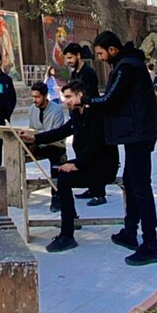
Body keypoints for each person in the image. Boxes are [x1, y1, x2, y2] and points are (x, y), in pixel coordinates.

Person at [89, 30, 157, 266]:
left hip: (139, 135)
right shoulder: (127, 64)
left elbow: (110, 98)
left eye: (101, 53)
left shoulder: (126, 67)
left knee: (141, 187)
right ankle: (130, 231)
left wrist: (86, 100)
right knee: (131, 183)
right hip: (136, 134)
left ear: (112, 50)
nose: (100, 58)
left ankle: (150, 245)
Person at [23, 80, 119, 252]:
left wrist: (77, 165)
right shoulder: (77, 114)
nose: (66, 101)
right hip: (88, 162)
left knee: (64, 180)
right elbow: (62, 131)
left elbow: (96, 146)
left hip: (102, 166)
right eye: (64, 97)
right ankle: (70, 220)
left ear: (80, 95)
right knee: (62, 173)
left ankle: (67, 234)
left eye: (69, 97)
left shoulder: (96, 114)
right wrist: (35, 139)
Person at [62, 42, 105, 205]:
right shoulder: (74, 74)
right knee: (79, 147)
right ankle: (90, 186)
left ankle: (99, 192)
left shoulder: (89, 73)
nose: (69, 61)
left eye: (71, 58)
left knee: (92, 150)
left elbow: (91, 95)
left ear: (78, 56)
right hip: (77, 116)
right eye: (67, 58)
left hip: (89, 116)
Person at [26, 82, 67, 211]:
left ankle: (56, 196)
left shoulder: (56, 110)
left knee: (56, 157)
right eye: (33, 97)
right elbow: (32, 129)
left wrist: (39, 139)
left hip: (54, 144)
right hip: (37, 142)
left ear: (45, 96)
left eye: (37, 97)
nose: (34, 100)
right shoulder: (32, 109)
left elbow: (57, 134)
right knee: (17, 151)